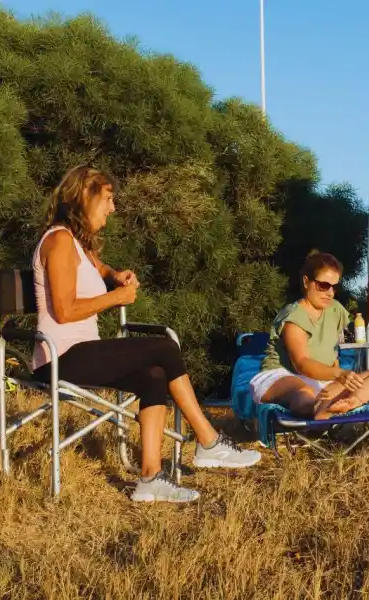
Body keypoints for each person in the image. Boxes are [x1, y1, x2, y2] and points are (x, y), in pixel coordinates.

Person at [31, 165, 261, 504]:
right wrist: (116, 298)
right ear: (84, 195)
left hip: (80, 352)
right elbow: (64, 311)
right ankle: (209, 442)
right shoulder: (59, 240)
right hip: (58, 356)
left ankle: (150, 477)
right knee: (164, 348)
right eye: (108, 199)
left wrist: (115, 275)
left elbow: (99, 268)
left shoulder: (76, 242)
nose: (113, 208)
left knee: (153, 375)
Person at [250, 252, 369, 420]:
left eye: (334, 287)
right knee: (303, 394)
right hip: (284, 375)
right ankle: (322, 410)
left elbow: (334, 348)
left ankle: (349, 403)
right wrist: (338, 374)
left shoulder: (335, 309)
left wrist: (340, 376)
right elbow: (301, 363)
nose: (330, 292)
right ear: (306, 282)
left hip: (322, 379)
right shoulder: (294, 316)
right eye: (323, 285)